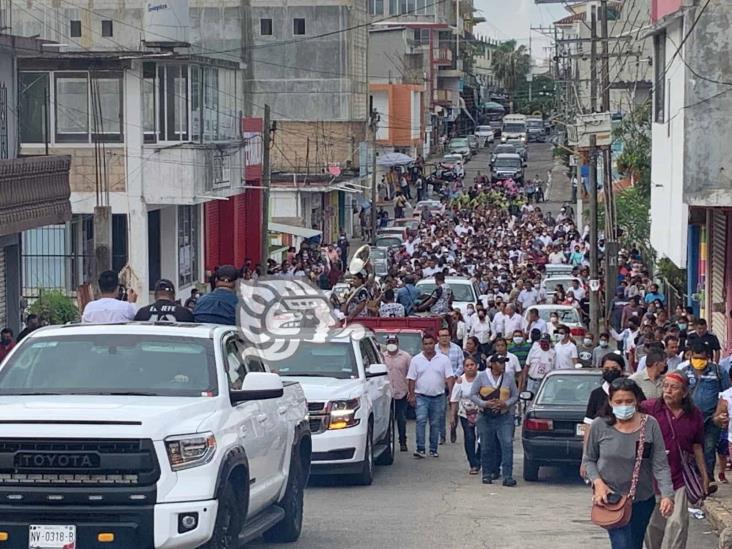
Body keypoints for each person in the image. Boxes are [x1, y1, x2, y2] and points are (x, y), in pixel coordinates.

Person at [583, 378, 675, 549]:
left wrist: (667, 495)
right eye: (618, 402)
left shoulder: (650, 425)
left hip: (642, 498)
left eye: (628, 401)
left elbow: (660, 463)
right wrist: (598, 484)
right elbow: (589, 460)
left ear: (637, 401)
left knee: (634, 543)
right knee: (622, 544)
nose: (624, 405)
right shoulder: (600, 425)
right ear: (610, 402)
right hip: (612, 498)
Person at [643, 372, 708, 549]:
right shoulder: (649, 408)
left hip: (679, 476)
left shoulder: (694, 414)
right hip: (652, 477)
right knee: (653, 525)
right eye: (665, 386)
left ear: (685, 392)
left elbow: (697, 446)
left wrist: (704, 476)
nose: (668, 391)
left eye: (674, 387)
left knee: (678, 523)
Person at [678, 340, 729, 482]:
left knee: (709, 448)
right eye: (696, 358)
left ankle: (707, 479)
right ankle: (693, 478)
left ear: (708, 357)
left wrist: (720, 415)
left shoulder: (719, 372)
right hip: (689, 418)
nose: (699, 361)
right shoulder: (684, 372)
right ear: (690, 357)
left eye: (702, 358)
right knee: (690, 449)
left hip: (711, 418)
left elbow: (725, 394)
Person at [470, 354, 519, 487]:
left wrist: (506, 403)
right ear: (492, 364)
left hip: (504, 416)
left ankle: (508, 476)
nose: (502, 365)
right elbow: (472, 394)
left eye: (503, 362)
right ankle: (487, 473)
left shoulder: (509, 377)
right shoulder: (481, 376)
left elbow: (515, 395)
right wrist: (484, 403)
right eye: (499, 362)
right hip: (485, 416)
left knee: (507, 444)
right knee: (486, 445)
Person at [407, 334, 455, 458]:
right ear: (422, 345)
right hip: (421, 396)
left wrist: (451, 394)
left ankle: (433, 449)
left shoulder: (444, 359)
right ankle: (420, 448)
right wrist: (411, 395)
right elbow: (411, 379)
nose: (428, 346)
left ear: (435, 344)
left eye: (431, 343)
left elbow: (449, 377)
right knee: (421, 420)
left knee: (435, 423)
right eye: (426, 344)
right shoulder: (416, 360)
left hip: (438, 396)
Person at [450, 356, 481, 474]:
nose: (470, 368)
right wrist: (453, 416)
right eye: (467, 366)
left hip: (481, 412)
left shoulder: (482, 378)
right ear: (464, 368)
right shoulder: (460, 381)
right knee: (469, 437)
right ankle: (473, 463)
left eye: (472, 365)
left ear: (476, 366)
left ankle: (479, 459)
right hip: (465, 413)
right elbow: (454, 400)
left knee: (482, 438)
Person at [383, 335, 412, 452]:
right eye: (389, 341)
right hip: (386, 394)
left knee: (401, 419)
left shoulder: (406, 357)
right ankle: (386, 443)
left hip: (401, 393)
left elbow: (411, 375)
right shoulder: (382, 357)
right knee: (386, 420)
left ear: (397, 343)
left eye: (393, 341)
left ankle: (403, 442)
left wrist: (411, 391)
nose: (391, 343)